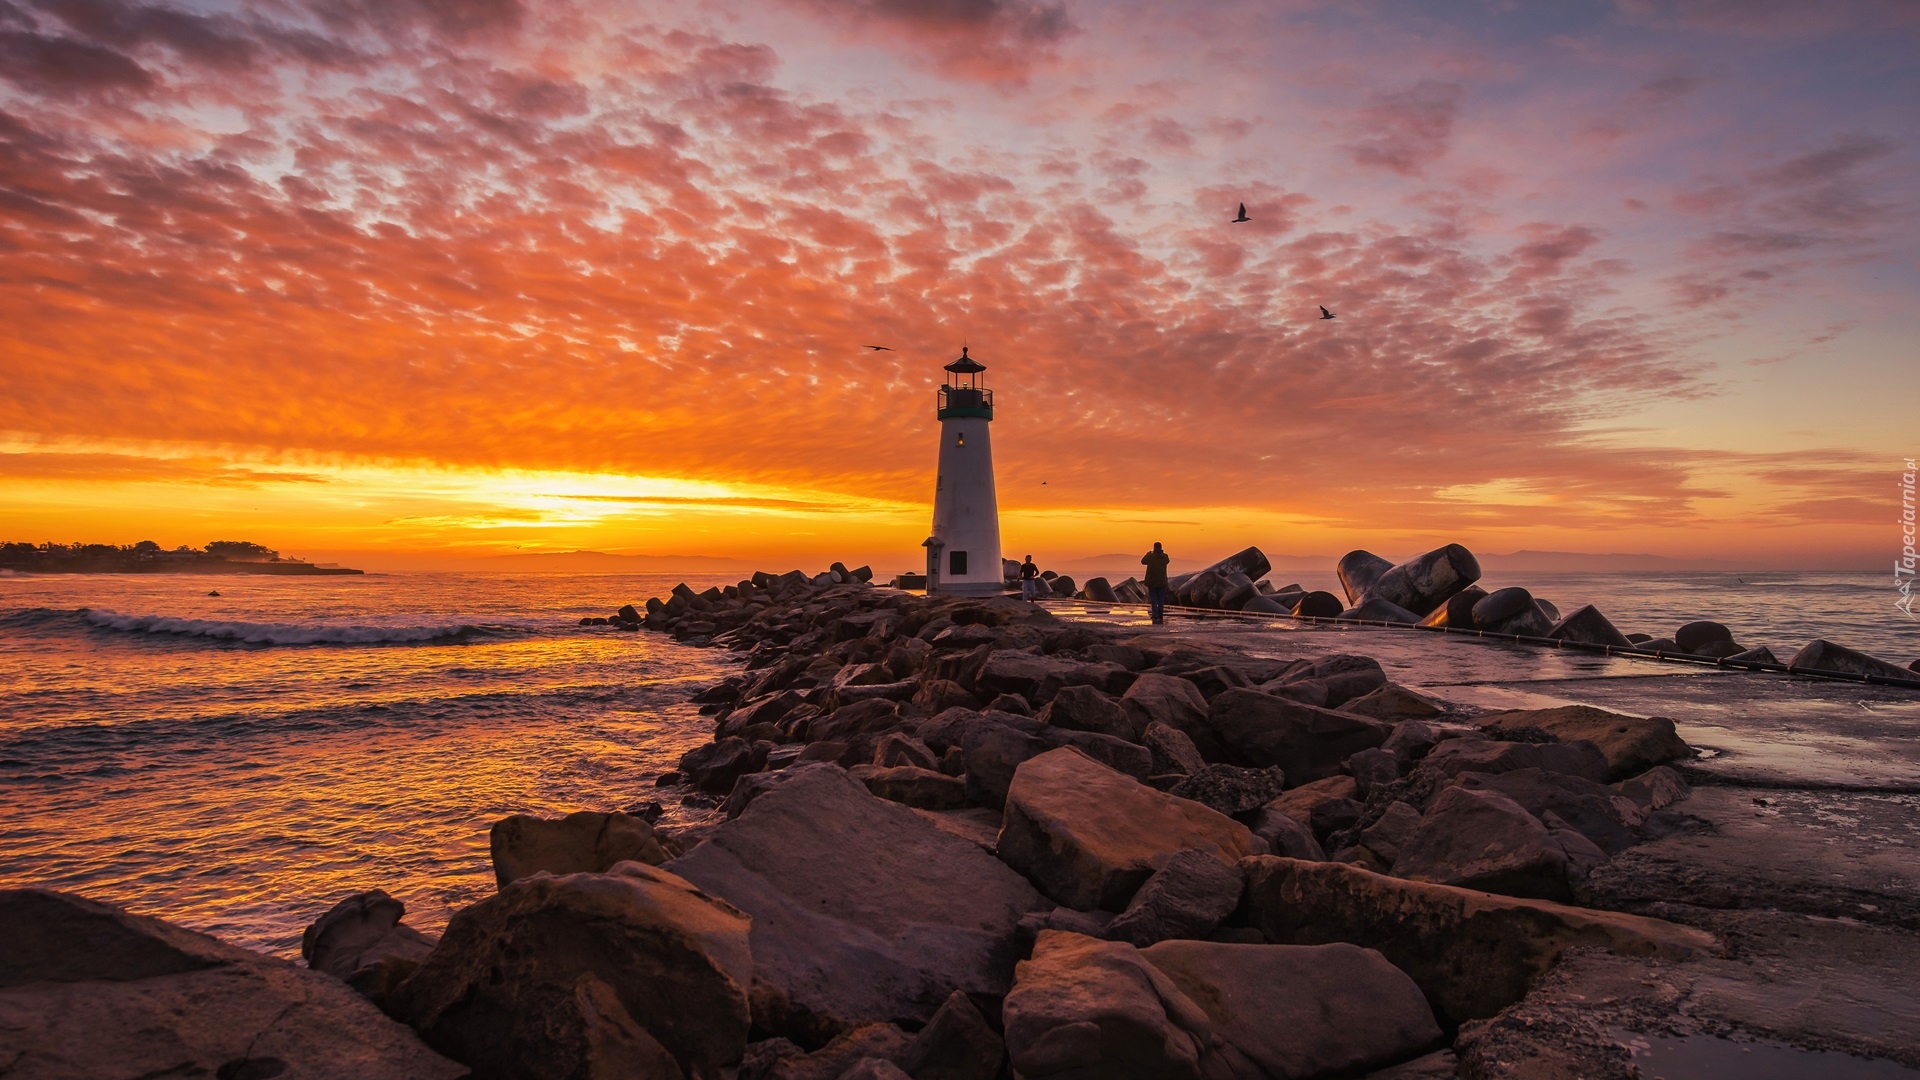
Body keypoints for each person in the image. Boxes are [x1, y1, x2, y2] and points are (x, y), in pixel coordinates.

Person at [1141, 542, 1170, 624]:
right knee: (1161, 599)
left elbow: (1143, 561)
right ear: (1161, 547)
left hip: (1152, 581)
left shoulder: (1150, 556)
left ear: (1154, 547)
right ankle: (1160, 615)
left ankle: (1155, 614)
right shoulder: (1165, 557)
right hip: (1162, 581)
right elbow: (1168, 561)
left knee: (1153, 599)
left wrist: (1147, 554)